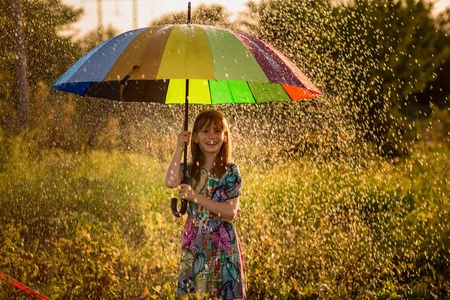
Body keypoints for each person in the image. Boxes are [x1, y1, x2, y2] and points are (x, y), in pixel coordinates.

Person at [165, 109, 246, 299]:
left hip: (222, 242)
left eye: (217, 131)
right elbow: (169, 181)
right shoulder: (189, 168)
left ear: (225, 137)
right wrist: (179, 148)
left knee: (222, 292)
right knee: (198, 294)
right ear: (195, 137)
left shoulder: (230, 171)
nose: (212, 136)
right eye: (205, 131)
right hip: (196, 241)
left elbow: (231, 212)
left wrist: (195, 197)